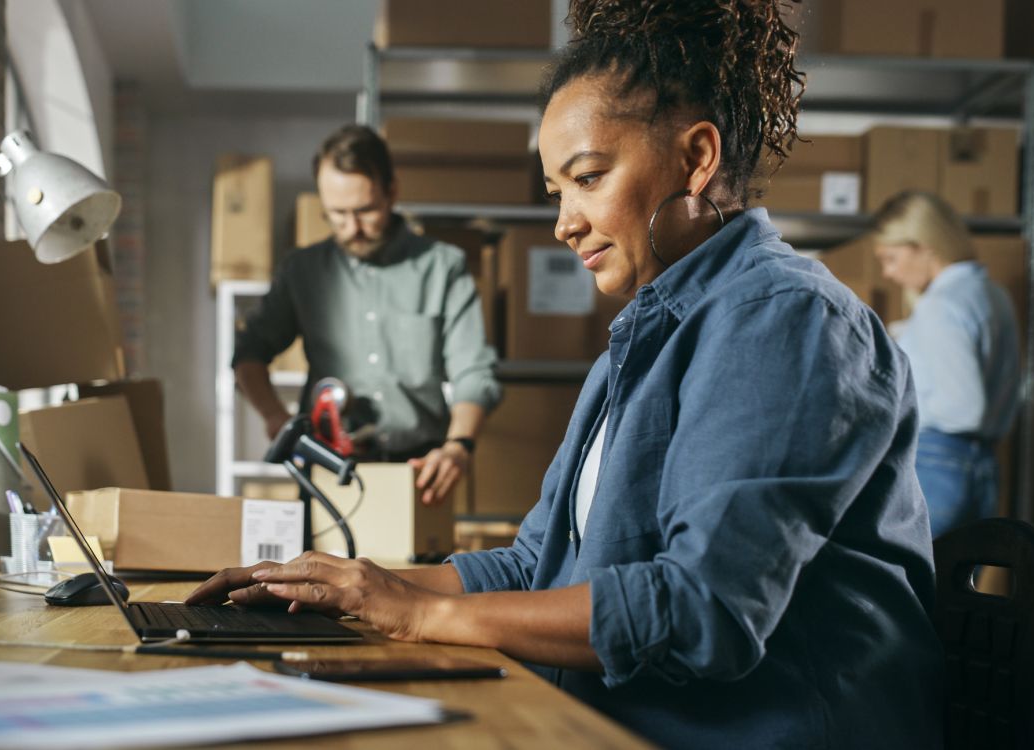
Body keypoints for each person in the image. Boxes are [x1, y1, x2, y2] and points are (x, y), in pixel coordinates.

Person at [191, 1, 943, 746]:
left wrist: (421, 613)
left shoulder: (786, 321)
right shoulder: (650, 329)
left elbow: (701, 610)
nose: (563, 223)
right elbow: (534, 565)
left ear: (696, 158)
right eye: (558, 193)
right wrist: (349, 584)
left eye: (587, 178)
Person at [232, 124, 501, 506]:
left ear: (392, 191)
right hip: (326, 470)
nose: (352, 228)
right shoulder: (302, 271)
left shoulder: (443, 268)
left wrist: (459, 446)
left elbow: (473, 371)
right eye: (337, 215)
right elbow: (248, 353)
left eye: (365, 211)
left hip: (418, 474)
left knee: (408, 569)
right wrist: (276, 417)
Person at [872, 191, 1022, 538]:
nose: (888, 273)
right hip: (981, 467)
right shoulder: (993, 295)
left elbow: (964, 409)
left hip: (937, 463)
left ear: (924, 246)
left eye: (891, 258)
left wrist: (891, 408)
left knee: (909, 585)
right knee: (957, 586)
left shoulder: (941, 306)